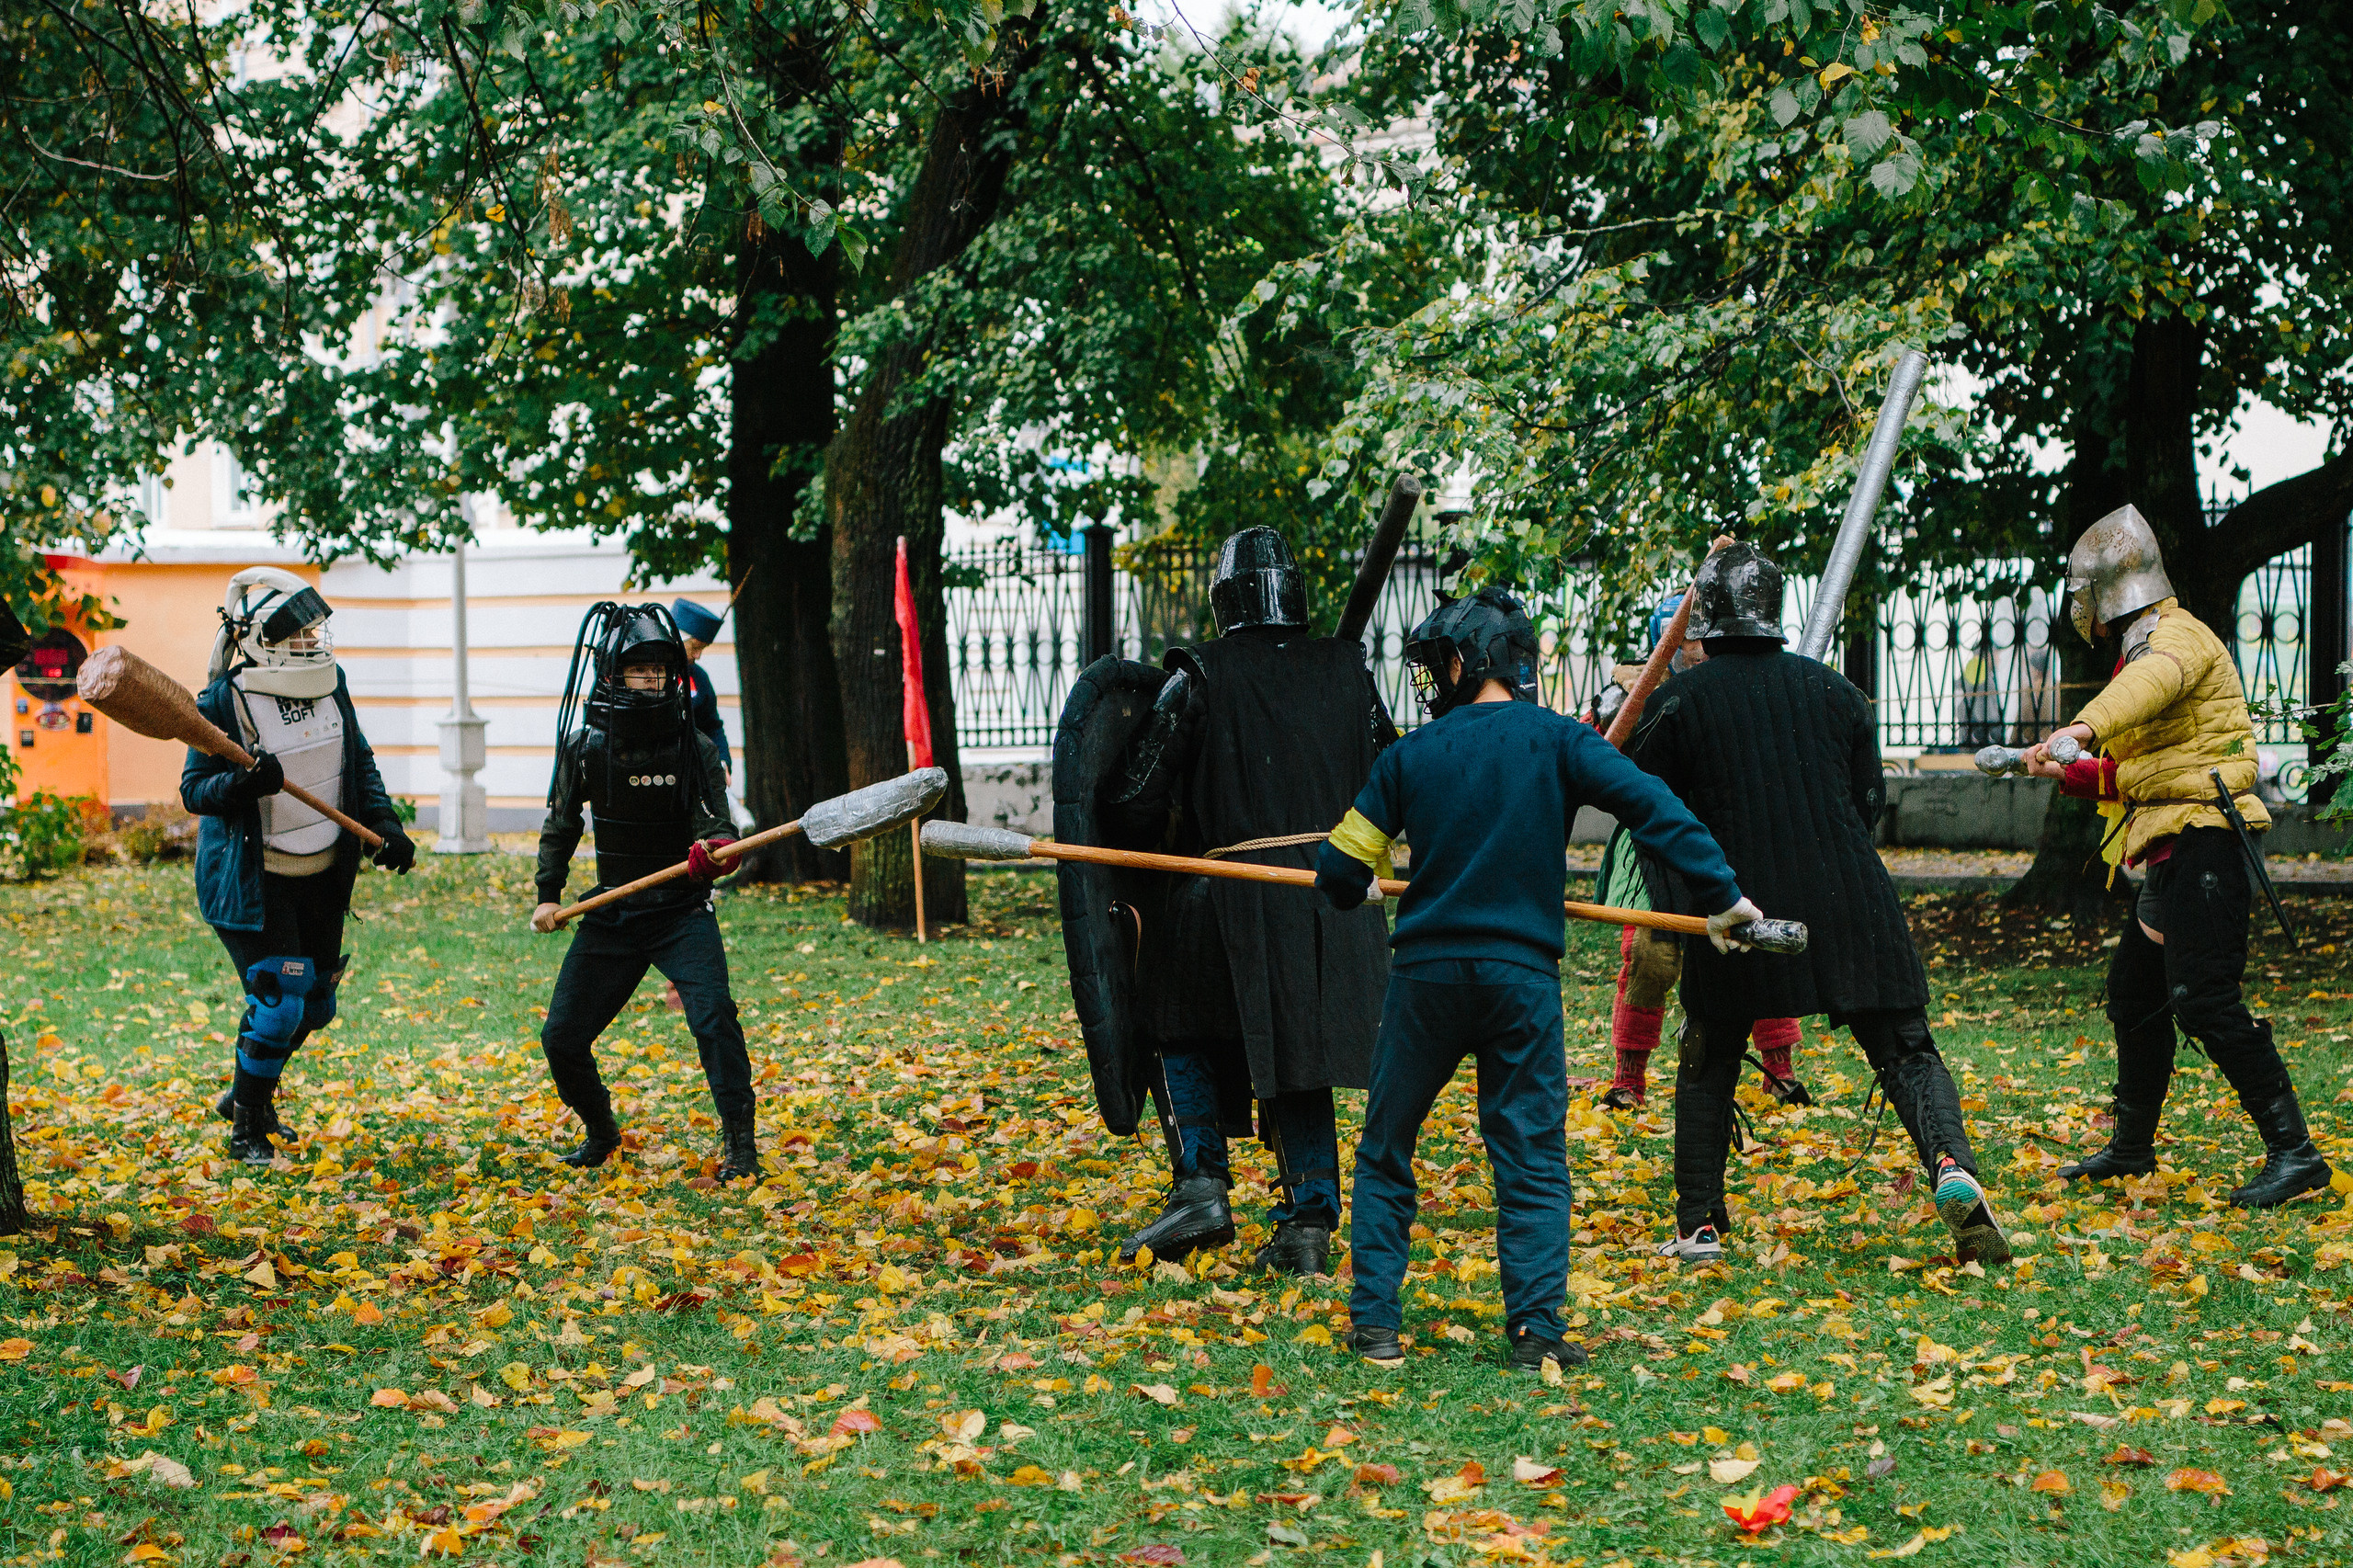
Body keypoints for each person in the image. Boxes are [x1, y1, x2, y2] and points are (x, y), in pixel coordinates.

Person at [1317, 585, 1760, 1375]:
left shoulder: (1409, 756)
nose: (1431, 677)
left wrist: (1366, 877)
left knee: (1386, 1149)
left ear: (1468, 661)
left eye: (1439, 661)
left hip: (1425, 981)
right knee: (1529, 1156)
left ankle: (1377, 1328)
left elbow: (1337, 872)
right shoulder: (1560, 741)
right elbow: (1654, 808)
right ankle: (1534, 1335)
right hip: (1521, 981)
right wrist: (1724, 895)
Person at [1630, 542, 2010, 1267]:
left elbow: (1650, 815)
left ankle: (1698, 1226)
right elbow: (1869, 802)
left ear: (1705, 617)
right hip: (1851, 901)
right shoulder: (1839, 693)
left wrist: (1690, 907)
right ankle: (1953, 1169)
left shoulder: (1677, 702)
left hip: (1735, 907)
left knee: (1708, 1054)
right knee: (1905, 1047)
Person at [1101, 527, 1396, 1277]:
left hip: (1228, 893)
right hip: (1332, 894)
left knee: (1176, 1024)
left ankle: (1201, 1185)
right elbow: (1394, 776)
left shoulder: (1198, 675)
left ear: (1225, 597)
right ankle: (1309, 1221)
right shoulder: (1349, 671)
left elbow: (1133, 801)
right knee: (1301, 1054)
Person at [2026, 505, 2332, 1208]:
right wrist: (2049, 766)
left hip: (2207, 841)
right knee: (2136, 992)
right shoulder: (2144, 642)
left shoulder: (2174, 639)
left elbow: (2144, 691)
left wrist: (2080, 725)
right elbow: (2143, 773)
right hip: (2177, 839)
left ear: (2106, 590)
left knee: (2204, 1000)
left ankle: (2297, 1154)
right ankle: (2133, 1149)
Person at [181, 569, 415, 1164]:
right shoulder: (220, 701)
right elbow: (195, 790)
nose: (313, 640)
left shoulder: (332, 685)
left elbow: (356, 762)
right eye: (298, 631)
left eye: (317, 629)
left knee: (316, 1007)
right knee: (281, 1002)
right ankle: (248, 1128)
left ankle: (244, 1093)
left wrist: (385, 828)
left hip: (322, 879)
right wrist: (242, 782)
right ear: (259, 636)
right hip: (255, 884)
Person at [529, 604, 758, 1179]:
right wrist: (547, 893)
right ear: (613, 673)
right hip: (614, 911)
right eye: (641, 670)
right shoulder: (586, 747)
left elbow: (717, 824)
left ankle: (741, 1148)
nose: (653, 680)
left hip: (681, 911)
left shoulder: (695, 746)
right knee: (561, 1037)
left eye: (660, 670)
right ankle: (602, 1131)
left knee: (714, 1019)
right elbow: (562, 821)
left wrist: (717, 853)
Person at [1587, 592, 1808, 1110]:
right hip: (1656, 847)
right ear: (1671, 643)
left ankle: (1780, 1072)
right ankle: (1628, 1080)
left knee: (1754, 947)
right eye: (1689, 640)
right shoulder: (1633, 693)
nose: (1701, 651)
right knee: (1649, 956)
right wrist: (1609, 719)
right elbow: (1595, 756)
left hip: (1733, 837)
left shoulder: (1743, 682)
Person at [668, 597, 733, 774]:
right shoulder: (653, 675)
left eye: (702, 649)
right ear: (679, 640)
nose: (698, 656)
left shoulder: (699, 676)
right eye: (696, 647)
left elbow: (712, 725)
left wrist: (723, 761)